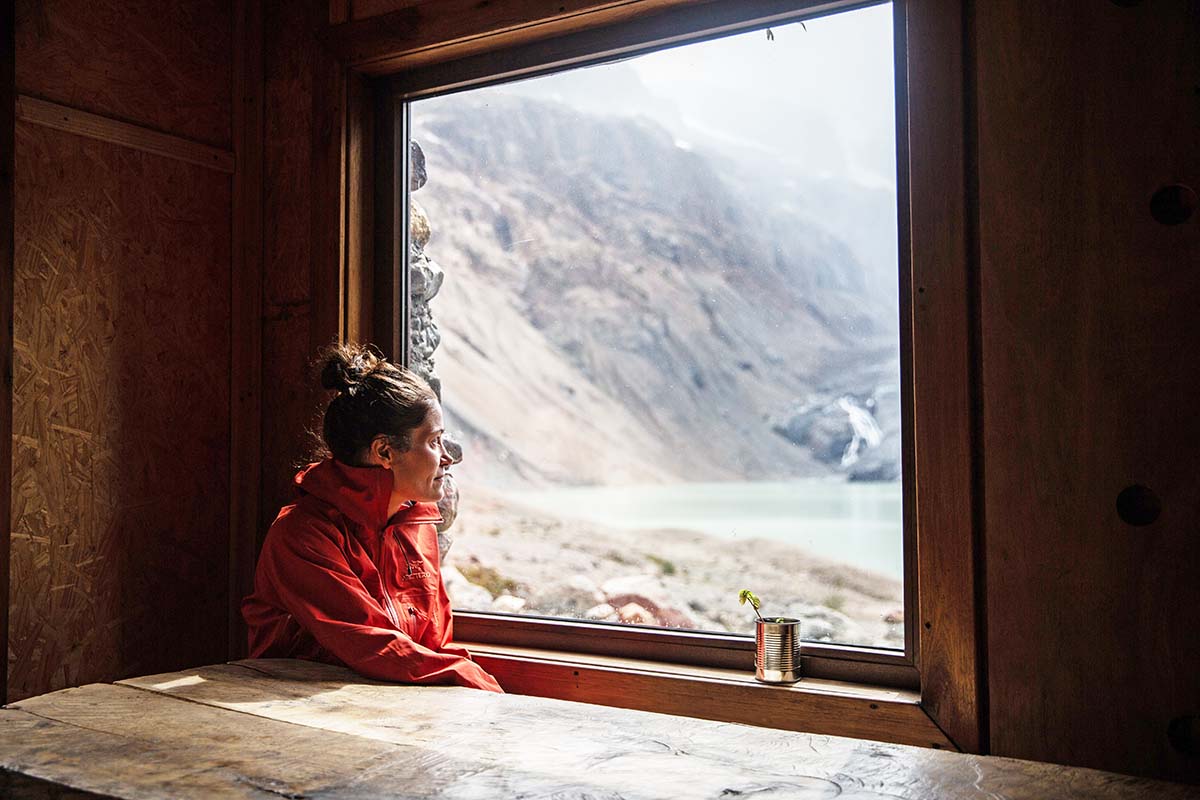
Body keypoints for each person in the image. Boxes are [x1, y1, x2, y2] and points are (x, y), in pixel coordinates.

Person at [241, 343, 502, 692]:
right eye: (434, 441)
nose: (448, 457)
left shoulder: (417, 526)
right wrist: (473, 681)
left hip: (388, 705)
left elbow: (434, 645)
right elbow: (371, 645)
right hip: (294, 714)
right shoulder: (301, 534)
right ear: (384, 452)